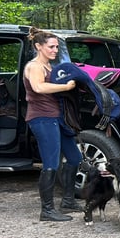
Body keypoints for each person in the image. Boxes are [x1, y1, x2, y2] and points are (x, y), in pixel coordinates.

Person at [24, 27, 83, 221]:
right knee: (51, 163)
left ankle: (67, 200)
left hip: (57, 118)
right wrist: (65, 86)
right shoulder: (34, 67)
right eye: (51, 47)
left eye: (57, 47)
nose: (55, 50)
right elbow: (38, 87)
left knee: (74, 157)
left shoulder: (50, 66)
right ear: (38, 46)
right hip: (41, 118)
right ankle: (47, 210)